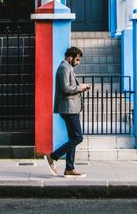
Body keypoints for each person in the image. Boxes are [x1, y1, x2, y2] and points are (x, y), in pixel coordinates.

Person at [44, 46, 89, 177]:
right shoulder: (64, 67)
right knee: (78, 137)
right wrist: (80, 87)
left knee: (73, 138)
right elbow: (65, 88)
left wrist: (80, 87)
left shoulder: (67, 67)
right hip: (68, 109)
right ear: (70, 57)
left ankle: (69, 168)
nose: (78, 63)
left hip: (71, 108)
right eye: (77, 60)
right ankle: (53, 156)